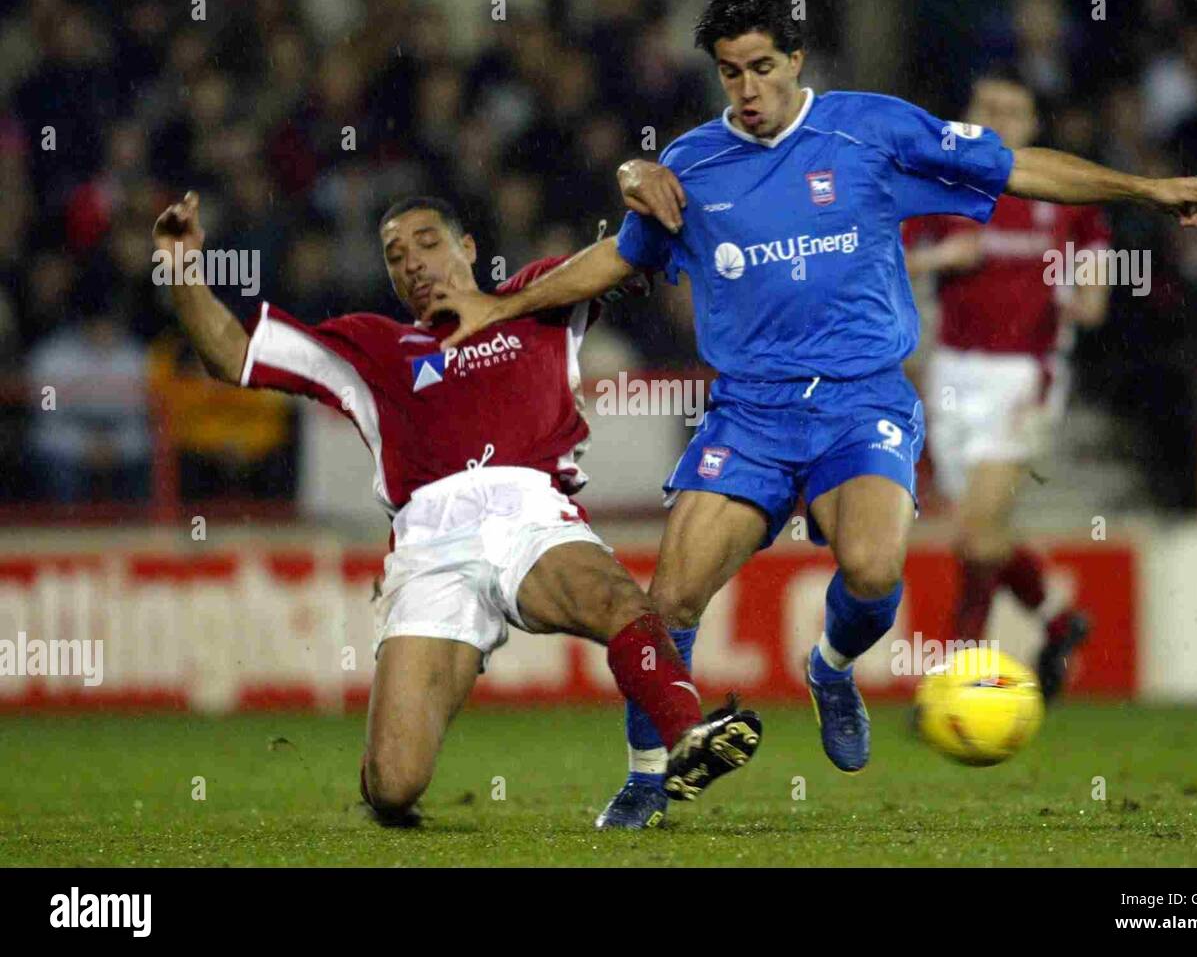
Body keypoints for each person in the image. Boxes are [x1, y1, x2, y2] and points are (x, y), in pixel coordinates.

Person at [428, 0, 1197, 829]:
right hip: (748, 414)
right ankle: (647, 774)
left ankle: (831, 664)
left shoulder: (872, 128)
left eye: (763, 67)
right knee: (668, 605)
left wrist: (1144, 191)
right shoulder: (691, 165)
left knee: (876, 569)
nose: (748, 90)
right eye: (731, 73)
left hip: (861, 401)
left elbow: (1017, 165)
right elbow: (617, 260)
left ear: (796, 58)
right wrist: (503, 304)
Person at [150, 190, 762, 825]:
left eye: (426, 242)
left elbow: (629, 252)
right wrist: (181, 269)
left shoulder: (537, 299)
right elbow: (229, 354)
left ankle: (689, 735)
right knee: (395, 783)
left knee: (618, 601)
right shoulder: (370, 346)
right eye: (394, 255)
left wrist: (650, 181)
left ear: (467, 249)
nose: (412, 262)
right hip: (430, 543)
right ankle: (384, 776)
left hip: (530, 513)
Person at [903, 68, 1110, 700]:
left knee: (973, 530)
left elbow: (1097, 273)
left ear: (1032, 124)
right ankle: (1059, 620)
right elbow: (894, 259)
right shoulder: (942, 183)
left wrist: (1090, 298)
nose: (996, 119)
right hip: (952, 372)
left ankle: (958, 672)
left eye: (1011, 111)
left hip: (1026, 371)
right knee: (982, 534)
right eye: (985, 106)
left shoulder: (1064, 192)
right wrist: (943, 258)